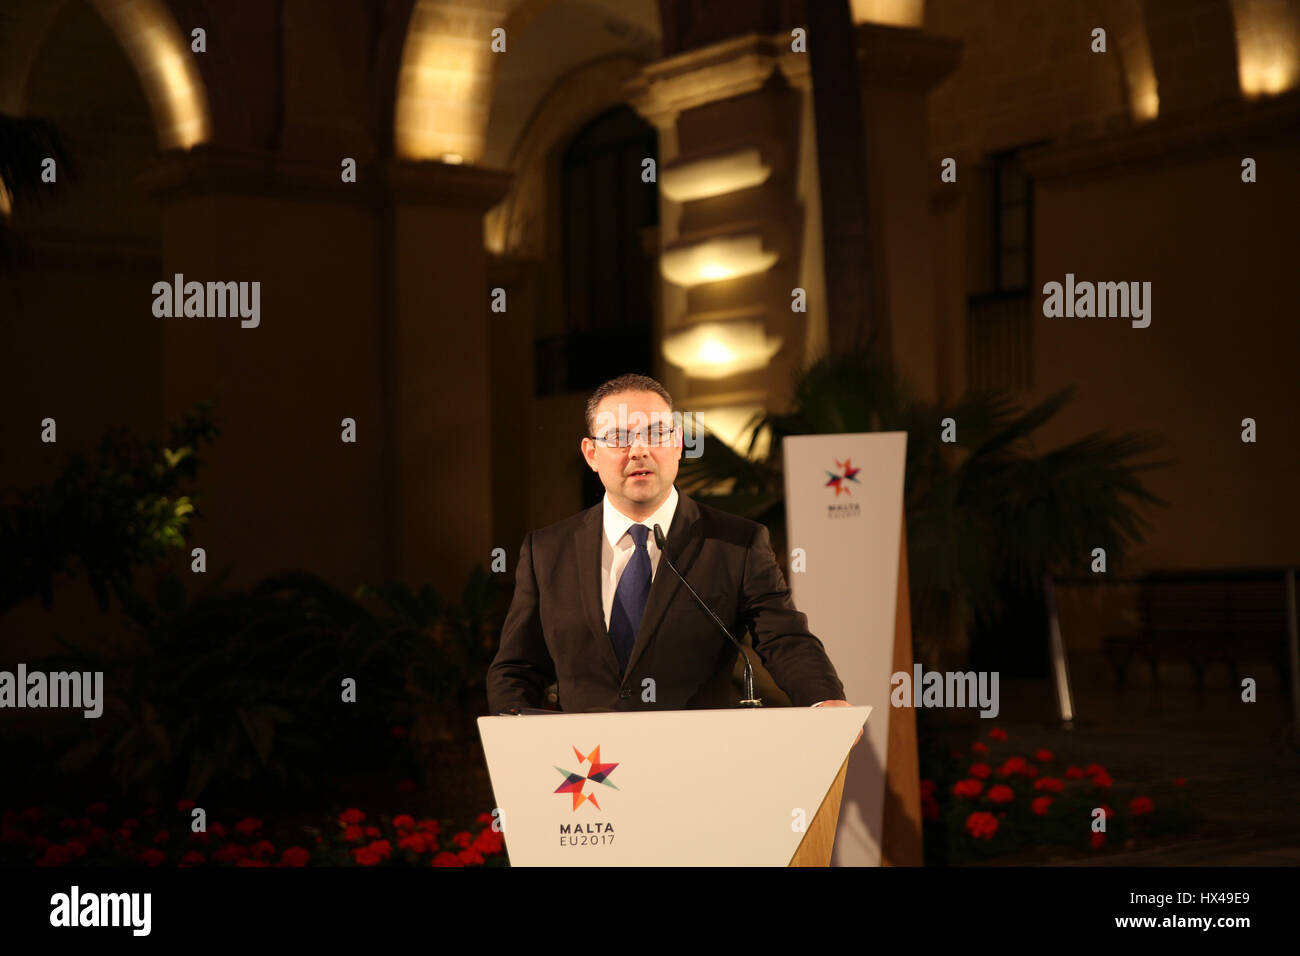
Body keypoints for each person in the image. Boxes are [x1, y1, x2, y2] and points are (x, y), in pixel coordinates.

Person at [486, 372, 853, 716]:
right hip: (589, 772)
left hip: (694, 764)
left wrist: (824, 700)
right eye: (618, 437)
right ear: (591, 454)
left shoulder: (735, 543)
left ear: (678, 443)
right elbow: (517, 668)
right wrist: (520, 745)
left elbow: (784, 639)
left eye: (656, 433)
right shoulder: (547, 551)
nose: (639, 450)